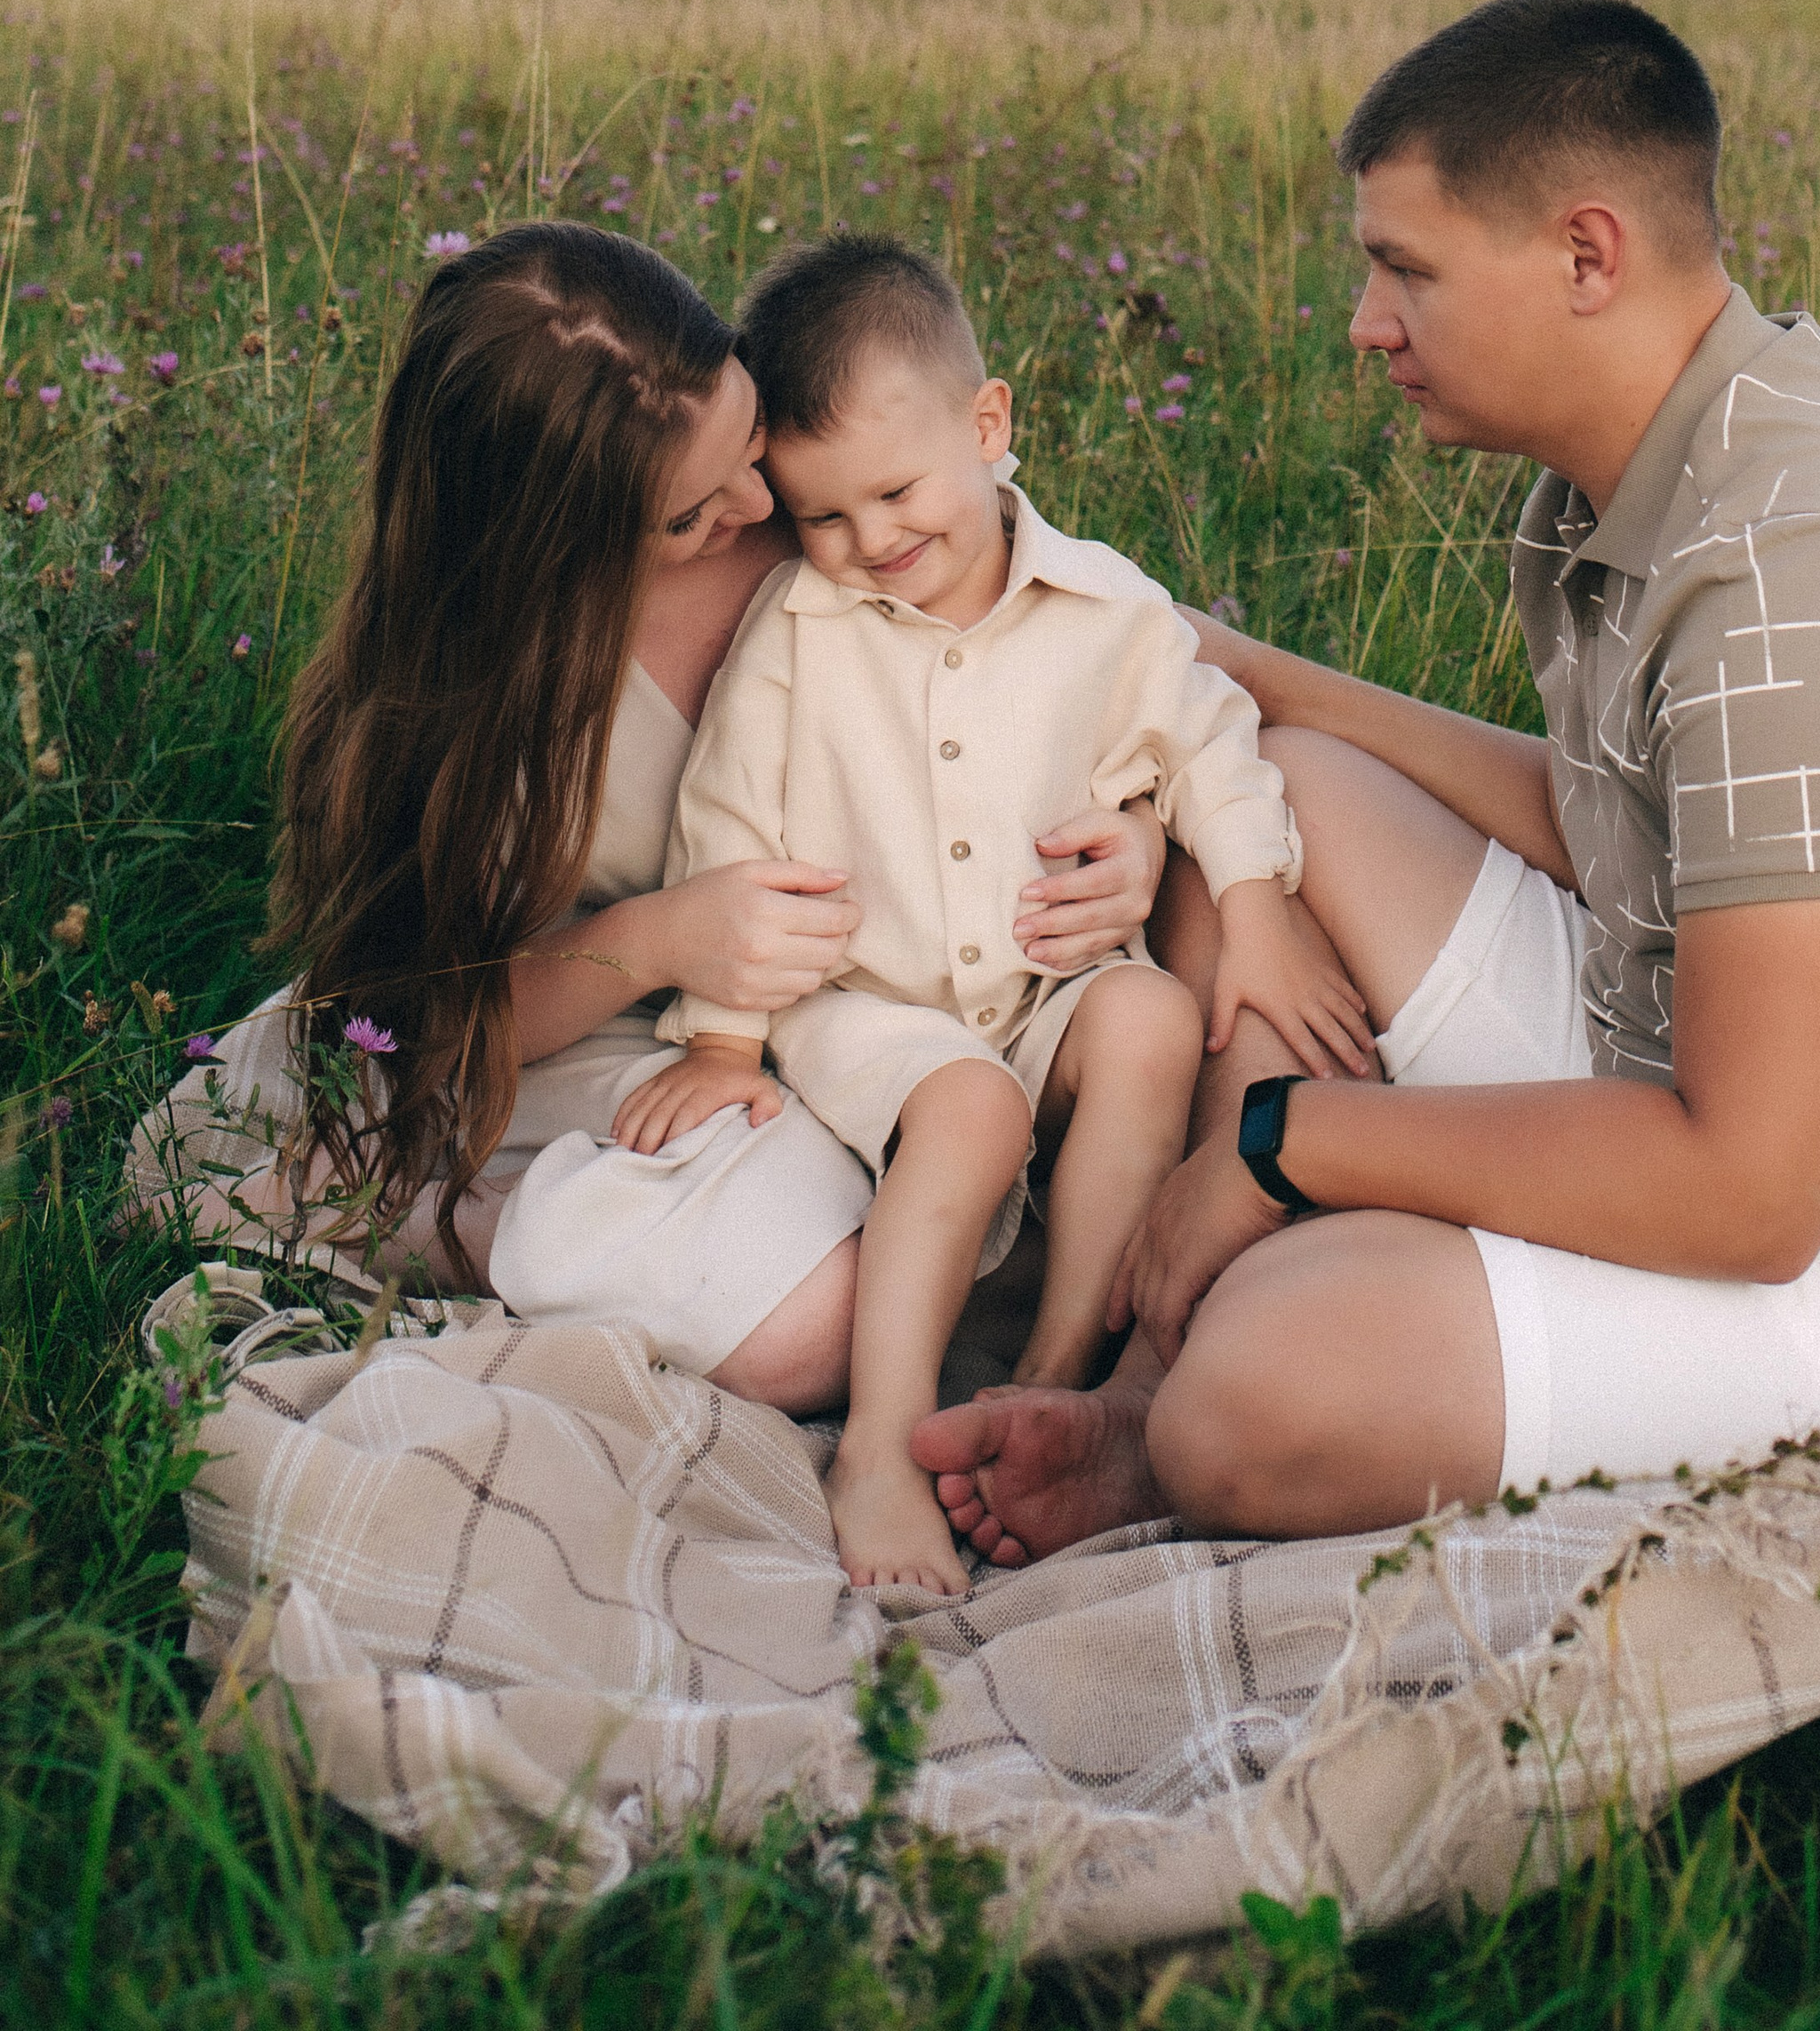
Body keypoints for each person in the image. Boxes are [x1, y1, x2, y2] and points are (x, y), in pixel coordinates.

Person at [914, 0, 1820, 1562]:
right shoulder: (1664, 455)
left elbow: (1752, 1190)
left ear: (1586, 256)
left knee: (1263, 1395)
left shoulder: (1797, 571)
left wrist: (1285, 1145)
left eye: (1405, 268)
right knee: (1272, 797)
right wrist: (1253, 676)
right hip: (1709, 1057)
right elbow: (1621, 830)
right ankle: (1150, 1376)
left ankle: (1196, 1378)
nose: (1365, 322)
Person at [157, 222, 1163, 1412]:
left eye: (751, 441)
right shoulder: (475, 705)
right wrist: (661, 940)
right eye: (690, 511)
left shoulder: (833, 513)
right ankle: (465, 1229)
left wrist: (1138, 827)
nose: (759, 499)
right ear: (563, 543)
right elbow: (447, 1023)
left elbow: (1104, 648)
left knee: (979, 1211)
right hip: (611, 1036)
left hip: (859, 1009)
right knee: (810, 1335)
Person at [582, 232, 1368, 1593]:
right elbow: (730, 825)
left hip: (1035, 991)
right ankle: (880, 1446)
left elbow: (1212, 740)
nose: (870, 542)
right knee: (969, 1106)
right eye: (825, 517)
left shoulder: (1107, 609)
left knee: (1146, 1018)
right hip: (865, 1004)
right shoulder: (798, 626)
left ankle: (1063, 1381)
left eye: (894, 493)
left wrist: (1257, 907)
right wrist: (719, 1038)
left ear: (990, 423)